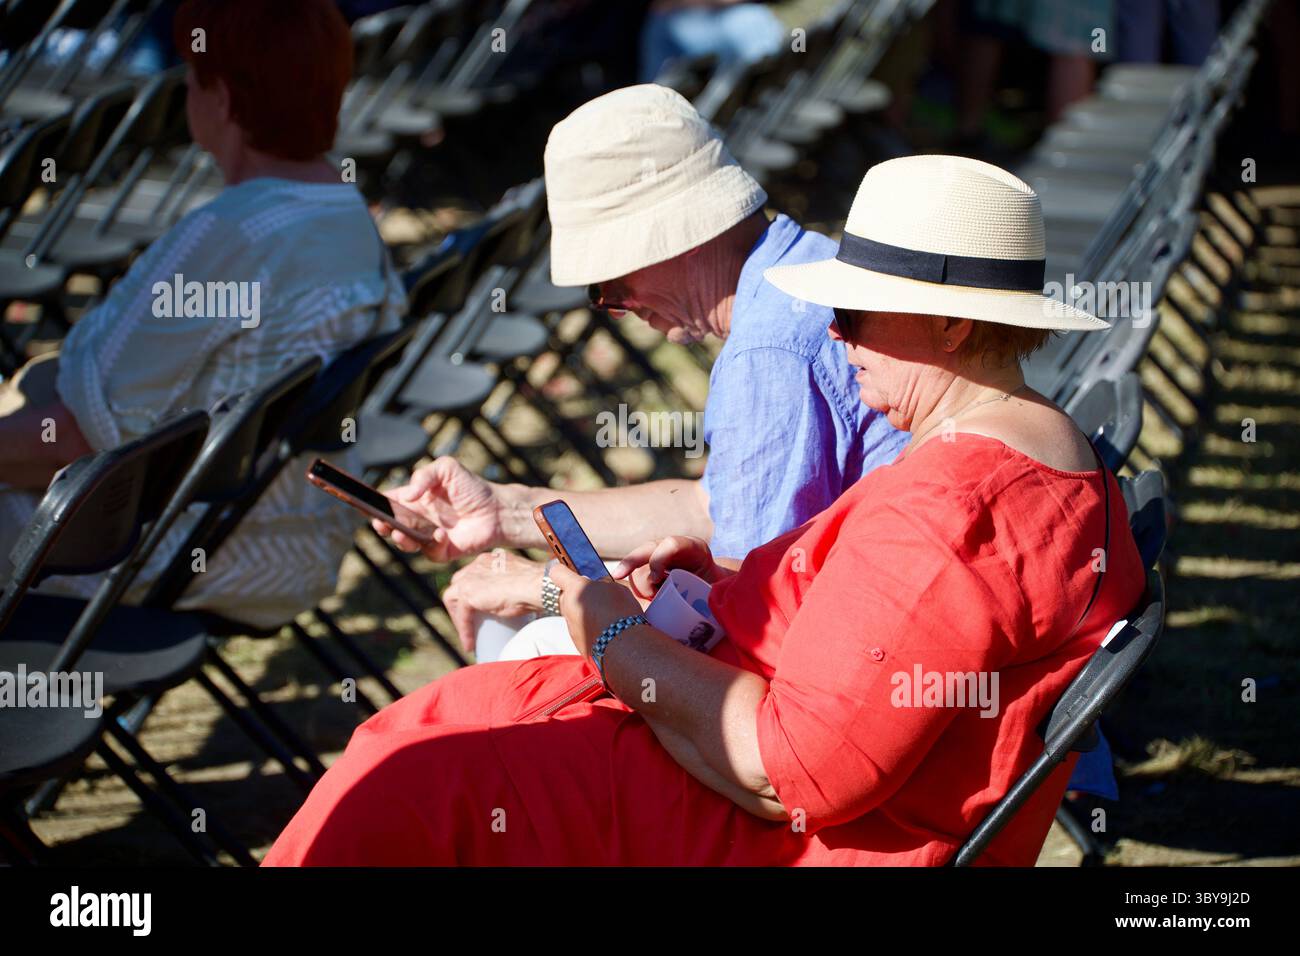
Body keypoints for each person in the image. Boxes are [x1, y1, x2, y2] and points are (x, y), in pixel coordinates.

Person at [263, 155, 1147, 866]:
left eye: (856, 311)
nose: (835, 333)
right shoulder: (1032, 447)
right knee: (417, 741)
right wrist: (708, 586)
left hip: (776, 831)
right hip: (769, 788)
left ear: (953, 327)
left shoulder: (959, 506)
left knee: (403, 780)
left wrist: (610, 636)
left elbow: (795, 769)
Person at [374, 84, 905, 658]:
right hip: (866, 622)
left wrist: (542, 589)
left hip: (848, 653)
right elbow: (711, 509)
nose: (613, 303)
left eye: (610, 281)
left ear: (674, 240)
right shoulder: (801, 265)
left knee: (516, 645)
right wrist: (503, 510)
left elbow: (739, 608)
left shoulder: (768, 351)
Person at [0, 0, 405, 627]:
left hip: (161, 554)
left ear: (219, 98)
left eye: (193, 74)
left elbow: (86, 437)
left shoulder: (231, 235)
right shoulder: (347, 216)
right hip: (287, 539)